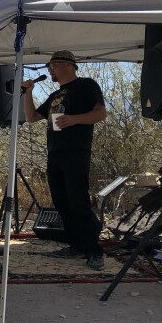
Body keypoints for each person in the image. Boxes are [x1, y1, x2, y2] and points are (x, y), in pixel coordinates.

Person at [22, 50, 107, 271]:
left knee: (78, 201)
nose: (50, 70)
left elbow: (100, 114)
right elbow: (31, 118)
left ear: (68, 65)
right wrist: (27, 93)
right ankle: (75, 245)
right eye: (49, 66)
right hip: (55, 152)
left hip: (76, 151)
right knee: (62, 202)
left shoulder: (87, 85)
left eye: (53, 65)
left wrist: (73, 120)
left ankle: (94, 250)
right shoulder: (55, 95)